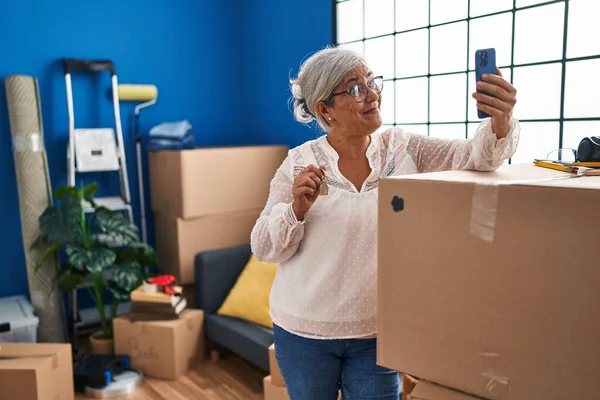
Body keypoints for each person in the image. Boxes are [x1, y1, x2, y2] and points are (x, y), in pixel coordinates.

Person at [250, 46, 519, 400]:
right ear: (324, 109)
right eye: (355, 88)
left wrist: (501, 119)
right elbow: (263, 247)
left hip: (376, 332)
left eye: (372, 81)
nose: (373, 94)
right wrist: (295, 209)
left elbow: (475, 158)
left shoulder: (403, 149)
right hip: (304, 332)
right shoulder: (300, 162)